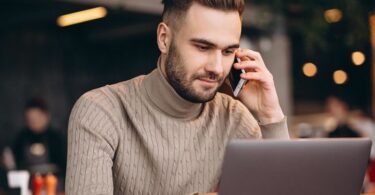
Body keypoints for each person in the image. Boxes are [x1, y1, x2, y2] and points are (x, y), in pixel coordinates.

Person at [66, 0, 289, 194]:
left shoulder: (237, 120)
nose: (217, 68)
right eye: (203, 47)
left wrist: (269, 116)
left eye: (228, 51)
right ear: (164, 39)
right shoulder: (101, 112)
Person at [12, 98, 66, 187]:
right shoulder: (21, 138)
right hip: (29, 188)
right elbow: (14, 165)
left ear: (46, 116)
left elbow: (65, 167)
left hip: (54, 188)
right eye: (30, 119)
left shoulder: (56, 139)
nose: (34, 121)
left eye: (37, 117)